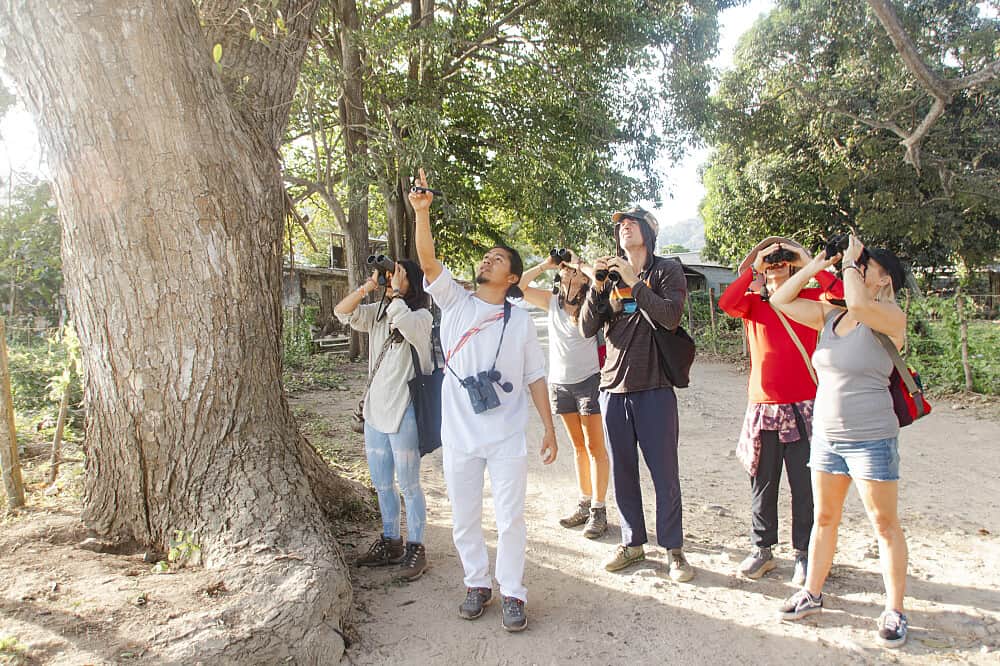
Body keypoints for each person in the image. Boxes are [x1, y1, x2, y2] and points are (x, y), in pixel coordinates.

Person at [410, 168, 558, 632]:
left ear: (512, 277)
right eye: (486, 257)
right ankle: (477, 583)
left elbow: (535, 376)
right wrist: (421, 211)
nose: (487, 262)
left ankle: (513, 591)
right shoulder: (455, 302)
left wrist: (550, 428)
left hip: (508, 435)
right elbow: (428, 262)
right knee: (465, 518)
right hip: (459, 436)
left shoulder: (517, 320)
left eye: (497, 260)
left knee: (511, 519)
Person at [769, 234, 911, 648]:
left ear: (884, 281)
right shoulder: (831, 318)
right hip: (828, 437)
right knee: (825, 519)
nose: (858, 268)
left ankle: (895, 609)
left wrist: (849, 263)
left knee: (884, 524)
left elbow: (862, 305)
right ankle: (812, 592)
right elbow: (780, 300)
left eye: (867, 265)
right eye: (858, 264)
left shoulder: (889, 316)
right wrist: (817, 264)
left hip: (871, 438)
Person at [579, 206, 694, 581]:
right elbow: (586, 328)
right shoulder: (608, 278)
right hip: (612, 389)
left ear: (649, 230)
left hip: (655, 388)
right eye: (619, 225)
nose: (623, 227)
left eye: (631, 222)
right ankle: (632, 544)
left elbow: (669, 316)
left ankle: (673, 550)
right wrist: (598, 288)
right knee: (624, 473)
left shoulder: (667, 270)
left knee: (665, 475)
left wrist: (635, 281)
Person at [719, 237, 843, 583]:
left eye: (782, 260)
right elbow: (726, 303)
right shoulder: (753, 304)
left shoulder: (810, 301)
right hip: (763, 408)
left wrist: (808, 260)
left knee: (805, 484)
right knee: (762, 482)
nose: (776, 265)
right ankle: (762, 550)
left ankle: (805, 552)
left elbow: (844, 297)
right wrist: (754, 270)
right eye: (770, 262)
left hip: (804, 408)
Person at [334, 259, 434, 581]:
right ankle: (391, 540)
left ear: (412, 282)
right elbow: (342, 311)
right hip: (375, 414)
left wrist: (395, 294)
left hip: (404, 411)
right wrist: (369, 287)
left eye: (399, 274)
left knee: (408, 484)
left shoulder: (422, 317)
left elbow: (403, 322)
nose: (392, 279)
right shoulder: (380, 312)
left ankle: (416, 547)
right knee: (381, 484)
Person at [518, 252, 609, 539]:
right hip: (560, 384)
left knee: (595, 447)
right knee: (578, 448)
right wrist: (546, 265)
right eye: (566, 271)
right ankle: (584, 503)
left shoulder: (593, 303)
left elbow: (600, 280)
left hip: (589, 381)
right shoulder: (551, 303)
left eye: (576, 272)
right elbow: (517, 287)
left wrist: (582, 265)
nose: (570, 274)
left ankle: (599, 509)